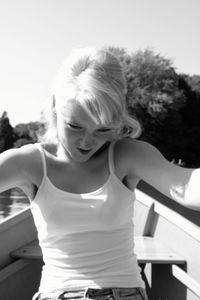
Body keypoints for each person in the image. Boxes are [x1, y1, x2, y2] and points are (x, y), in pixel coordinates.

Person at [0, 47, 200, 300]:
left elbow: (187, 185)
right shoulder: (29, 162)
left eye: (103, 129)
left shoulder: (126, 155)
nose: (86, 141)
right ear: (54, 107)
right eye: (75, 126)